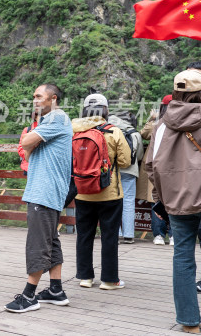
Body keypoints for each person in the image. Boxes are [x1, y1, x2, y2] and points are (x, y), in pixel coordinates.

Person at [5, 84, 72, 313]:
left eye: (38, 96)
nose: (34, 100)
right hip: (48, 191)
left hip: (43, 192)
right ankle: (55, 290)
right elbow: (28, 149)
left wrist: (29, 139)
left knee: (37, 243)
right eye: (33, 96)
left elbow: (24, 144)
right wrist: (30, 140)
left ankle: (29, 295)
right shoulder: (49, 122)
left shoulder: (57, 119)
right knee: (51, 240)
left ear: (53, 98)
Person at [146, 70, 201, 333]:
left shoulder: (162, 126)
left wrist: (161, 200)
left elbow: (151, 167)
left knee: (183, 257)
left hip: (178, 204)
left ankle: (190, 322)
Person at [72, 94, 131, 291]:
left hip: (81, 192)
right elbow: (125, 162)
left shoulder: (74, 131)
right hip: (109, 193)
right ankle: (109, 279)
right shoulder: (113, 131)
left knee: (84, 235)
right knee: (109, 235)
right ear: (105, 110)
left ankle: (85, 277)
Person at [138, 95, 173, 245]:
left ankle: (158, 235)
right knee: (173, 201)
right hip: (173, 167)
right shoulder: (180, 124)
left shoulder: (157, 124)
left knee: (155, 200)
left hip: (155, 167)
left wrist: (152, 119)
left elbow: (142, 134)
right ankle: (173, 235)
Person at [108, 110, 143, 244]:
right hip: (130, 171)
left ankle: (115, 233)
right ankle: (128, 235)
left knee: (113, 201)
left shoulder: (109, 130)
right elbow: (139, 156)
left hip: (112, 170)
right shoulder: (134, 133)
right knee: (128, 201)